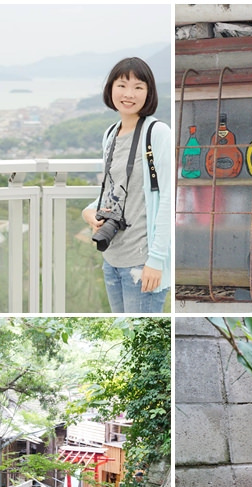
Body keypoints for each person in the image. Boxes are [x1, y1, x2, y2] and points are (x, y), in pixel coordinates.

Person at [81, 57, 172, 313]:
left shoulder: (157, 133)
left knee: (141, 335)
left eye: (138, 87)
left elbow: (167, 198)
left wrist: (156, 261)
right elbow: (115, 190)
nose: (128, 94)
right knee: (126, 333)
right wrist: (90, 210)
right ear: (111, 89)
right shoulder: (110, 133)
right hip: (111, 257)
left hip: (142, 262)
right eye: (122, 85)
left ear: (149, 93)